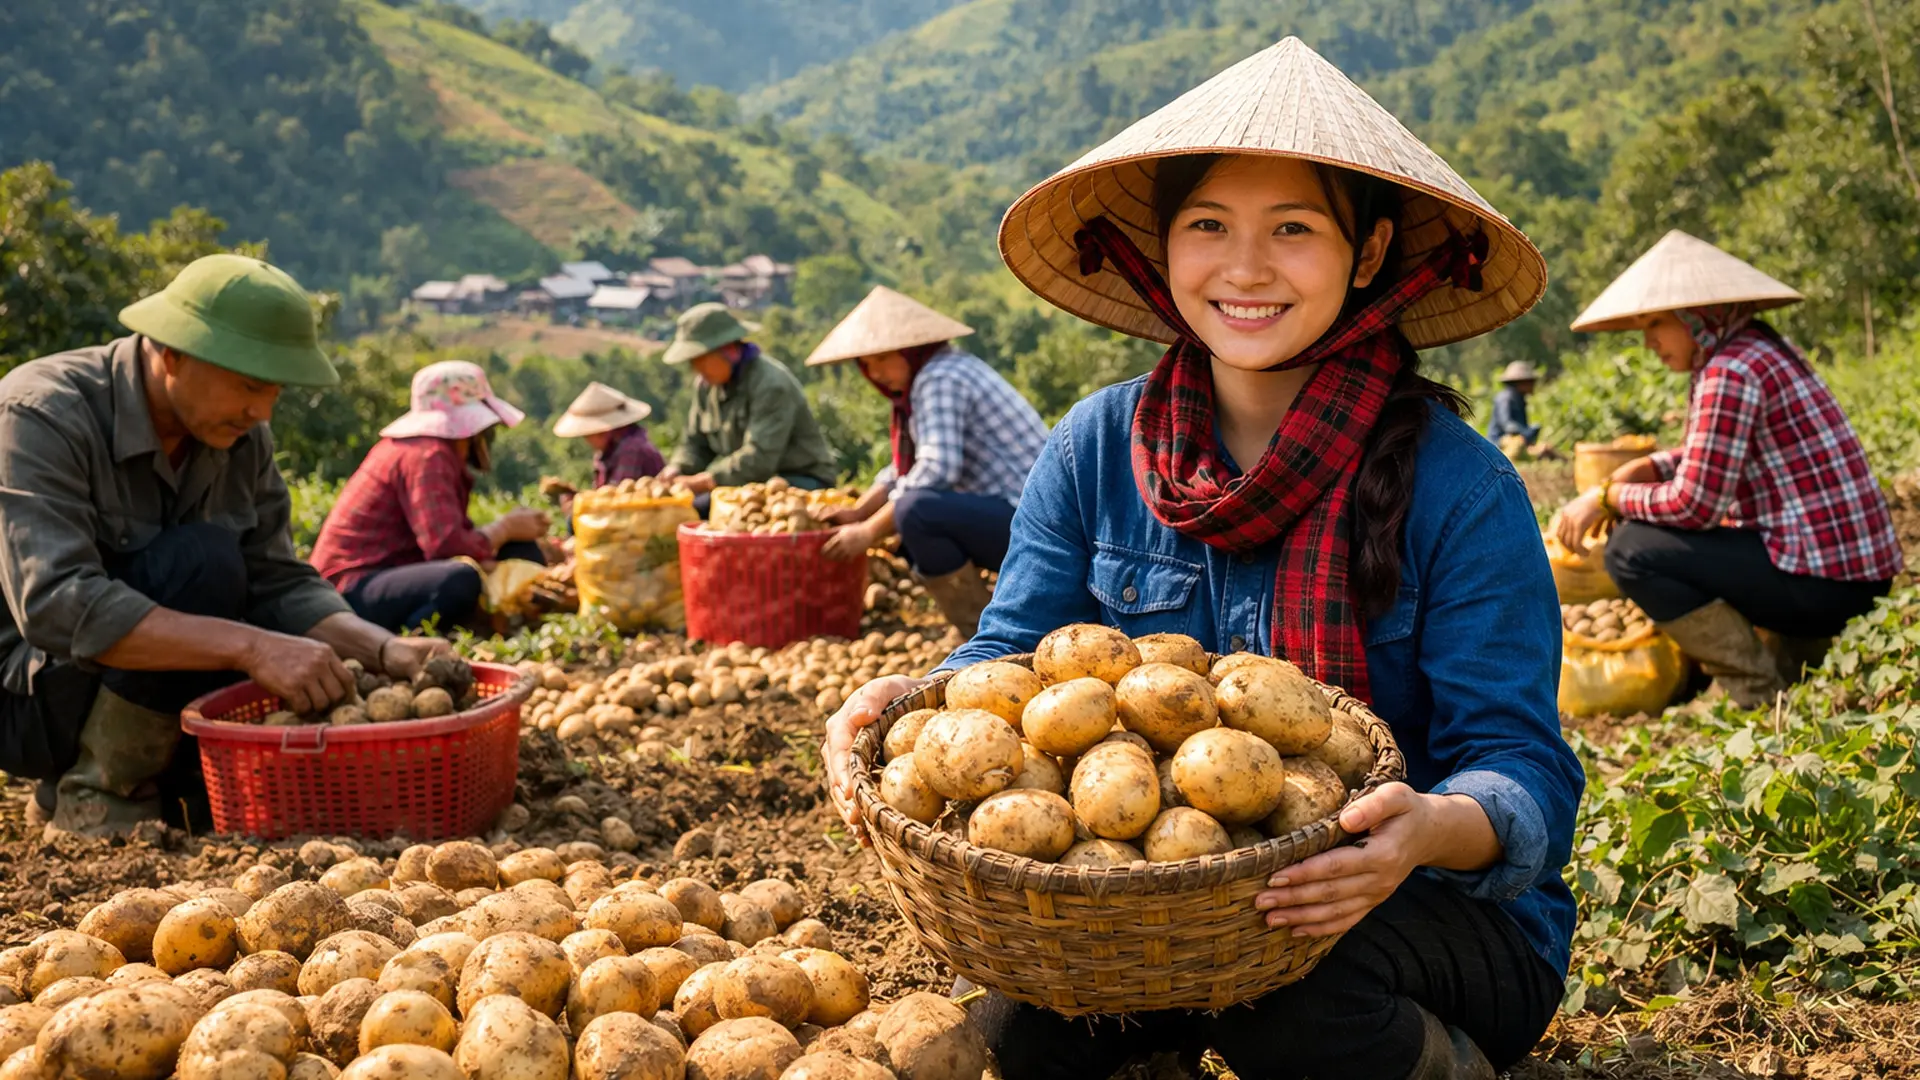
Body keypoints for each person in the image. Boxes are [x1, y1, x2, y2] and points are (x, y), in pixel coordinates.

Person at [822, 37, 1582, 1080]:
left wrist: (1424, 830)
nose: (1246, 268)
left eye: (1294, 229)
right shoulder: (1094, 447)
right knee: (1021, 1041)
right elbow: (1010, 659)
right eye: (1209, 226)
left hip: (1416, 899)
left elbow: (1523, 767)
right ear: (1166, 248)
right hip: (1157, 904)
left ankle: (1445, 1063)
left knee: (1287, 1009)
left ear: (1367, 254)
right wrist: (907, 704)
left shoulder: (1462, 486)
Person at [0, 254, 452, 837]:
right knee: (203, 564)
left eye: (274, 392)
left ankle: (133, 781)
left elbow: (275, 577)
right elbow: (56, 604)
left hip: (130, 690)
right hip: (24, 695)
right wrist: (252, 648)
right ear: (173, 354)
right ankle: (99, 797)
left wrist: (383, 649)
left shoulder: (239, 436)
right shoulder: (40, 414)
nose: (261, 412)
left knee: (229, 590)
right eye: (249, 386)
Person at [1556, 229, 1902, 706]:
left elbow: (1694, 505)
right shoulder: (1754, 348)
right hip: (1852, 575)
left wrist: (1605, 497)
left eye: (1656, 322)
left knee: (1632, 550)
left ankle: (1760, 694)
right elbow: (1719, 454)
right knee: (1652, 537)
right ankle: (1790, 661)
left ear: (1695, 316)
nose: (1649, 341)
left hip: (1827, 584)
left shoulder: (1729, 371)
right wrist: (1651, 466)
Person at [809, 287, 1051, 635]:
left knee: (914, 512)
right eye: (866, 364)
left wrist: (868, 532)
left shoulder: (939, 378)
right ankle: (1001, 622)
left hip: (1038, 525)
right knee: (905, 515)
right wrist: (859, 512)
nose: (875, 373)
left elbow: (937, 469)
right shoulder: (938, 372)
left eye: (882, 359)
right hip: (1016, 514)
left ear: (911, 350)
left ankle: (991, 634)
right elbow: (904, 470)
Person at [311, 361, 552, 633]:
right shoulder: (428, 455)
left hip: (390, 576)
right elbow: (446, 546)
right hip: (350, 591)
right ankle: (409, 642)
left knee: (521, 551)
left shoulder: (429, 451)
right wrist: (504, 529)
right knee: (460, 580)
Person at [655, 303, 836, 515]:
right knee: (678, 509)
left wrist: (703, 481)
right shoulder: (706, 387)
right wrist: (677, 468)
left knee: (698, 510)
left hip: (801, 480)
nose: (696, 369)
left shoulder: (771, 385)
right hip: (746, 483)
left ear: (729, 350)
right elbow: (695, 444)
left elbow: (759, 458)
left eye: (701, 360)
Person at [1485, 360, 1543, 445]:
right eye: (1530, 382)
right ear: (1521, 383)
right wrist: (1525, 432)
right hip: (1499, 443)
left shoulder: (1519, 399)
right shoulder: (1505, 398)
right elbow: (1507, 425)